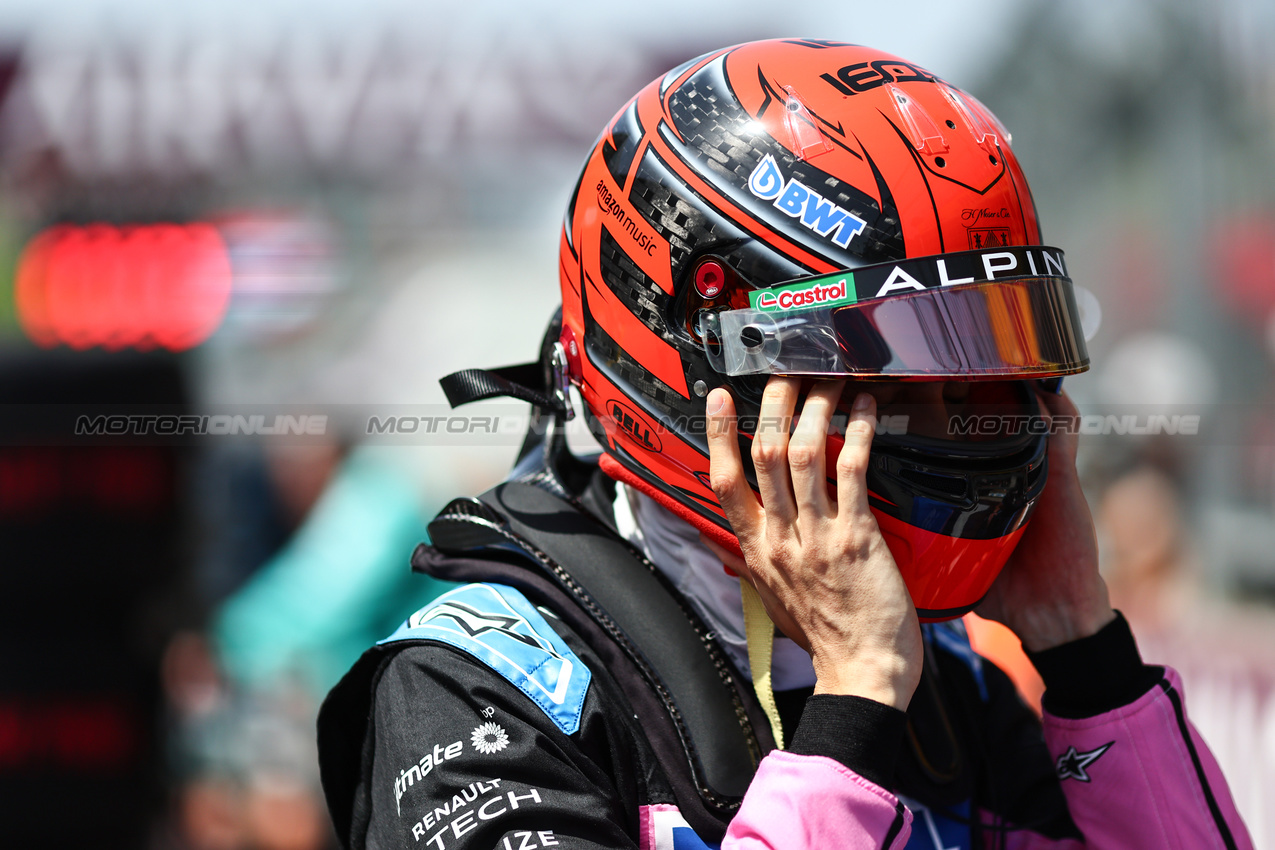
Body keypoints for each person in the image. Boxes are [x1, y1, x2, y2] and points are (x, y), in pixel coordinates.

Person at [317, 40, 1253, 849]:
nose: (965, 430)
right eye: (892, 386)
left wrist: (1084, 654)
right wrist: (850, 716)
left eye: (984, 379)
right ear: (697, 373)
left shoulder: (949, 684)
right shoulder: (472, 692)